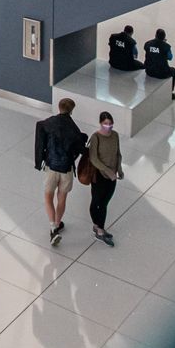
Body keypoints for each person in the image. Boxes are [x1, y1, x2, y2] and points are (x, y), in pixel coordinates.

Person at [34, 97, 86, 247]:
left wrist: (39, 161)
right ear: (71, 110)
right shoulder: (73, 128)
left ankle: (52, 227)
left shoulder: (49, 123)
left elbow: (40, 133)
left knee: (48, 197)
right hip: (66, 169)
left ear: (59, 107)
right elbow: (80, 147)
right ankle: (57, 223)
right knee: (61, 198)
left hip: (51, 167)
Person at [85, 110, 124, 247]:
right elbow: (94, 158)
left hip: (112, 175)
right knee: (98, 202)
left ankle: (98, 226)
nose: (109, 126)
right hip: (100, 176)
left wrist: (119, 169)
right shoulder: (96, 137)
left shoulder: (115, 136)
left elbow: (117, 154)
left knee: (105, 202)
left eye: (110, 123)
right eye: (106, 123)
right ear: (101, 123)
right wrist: (107, 171)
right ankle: (99, 229)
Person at [143, 27, 175, 98]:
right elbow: (170, 57)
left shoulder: (148, 43)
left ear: (155, 36)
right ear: (164, 37)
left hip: (149, 70)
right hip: (162, 73)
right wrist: (164, 44)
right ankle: (170, 93)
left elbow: (146, 49)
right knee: (174, 71)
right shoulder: (166, 46)